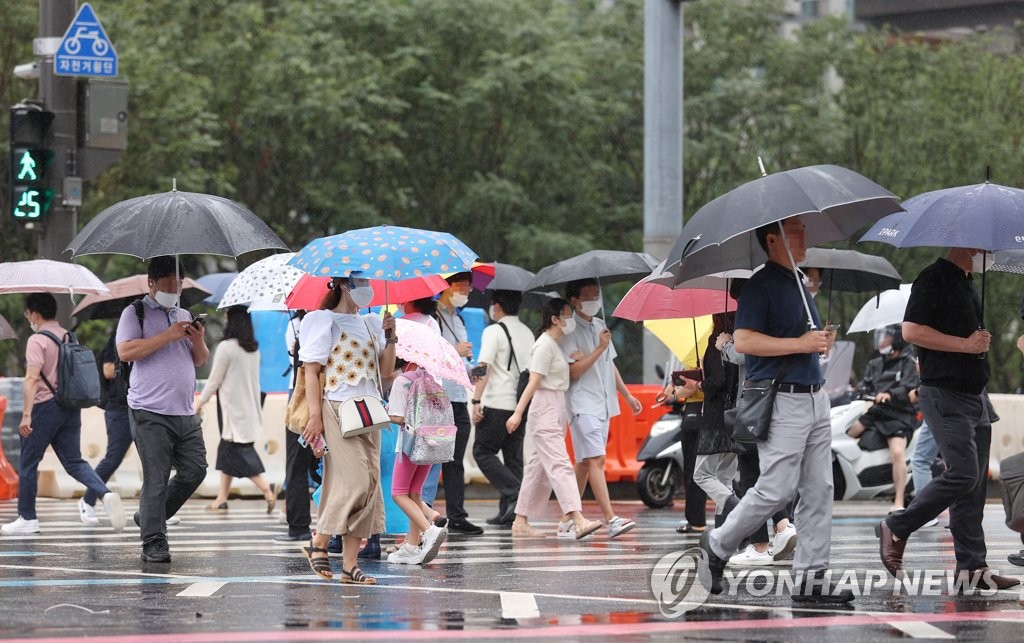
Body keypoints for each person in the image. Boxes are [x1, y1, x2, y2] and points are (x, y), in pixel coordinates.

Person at [698, 217, 850, 603]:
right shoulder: (761, 284)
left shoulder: (799, 282)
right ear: (772, 239)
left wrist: (818, 344)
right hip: (783, 399)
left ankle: (812, 579)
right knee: (775, 488)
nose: (804, 239)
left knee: (819, 490)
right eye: (796, 233)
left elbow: (800, 341)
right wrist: (800, 344)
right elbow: (746, 340)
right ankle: (717, 544)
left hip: (815, 396)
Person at [878, 248, 1021, 592]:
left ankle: (972, 567)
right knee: (962, 474)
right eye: (983, 248)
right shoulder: (934, 278)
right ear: (964, 245)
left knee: (973, 488)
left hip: (975, 396)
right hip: (944, 393)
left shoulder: (968, 281)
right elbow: (911, 331)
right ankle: (898, 525)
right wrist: (966, 344)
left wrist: (975, 346)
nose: (988, 253)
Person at [2, 293, 126, 535]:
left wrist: (27, 414)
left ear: (35, 313)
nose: (28, 318)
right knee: (74, 461)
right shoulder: (68, 335)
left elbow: (31, 378)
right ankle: (105, 493)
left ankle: (27, 518)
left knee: (28, 462)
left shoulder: (37, 340)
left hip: (44, 407)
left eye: (28, 314)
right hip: (70, 407)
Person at [299, 274, 395, 585]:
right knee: (355, 482)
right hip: (338, 409)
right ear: (344, 285)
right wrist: (315, 417)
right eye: (361, 282)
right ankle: (320, 540)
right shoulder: (322, 320)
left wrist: (391, 337)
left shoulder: (371, 322)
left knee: (369, 485)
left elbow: (385, 373)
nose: (367, 288)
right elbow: (311, 372)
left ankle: (349, 566)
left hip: (370, 412)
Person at [116, 256, 209, 562]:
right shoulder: (135, 313)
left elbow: (199, 360)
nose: (174, 291)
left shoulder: (184, 312)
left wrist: (198, 339)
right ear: (152, 283)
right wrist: (167, 335)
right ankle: (154, 541)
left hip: (184, 410)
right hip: (148, 410)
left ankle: (149, 516)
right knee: (155, 477)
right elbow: (126, 350)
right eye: (168, 285)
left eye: (178, 285)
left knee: (195, 470)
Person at [506, 298, 602, 540]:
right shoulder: (544, 345)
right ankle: (576, 517)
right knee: (560, 464)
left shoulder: (556, 345)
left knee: (537, 469)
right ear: (555, 319)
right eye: (567, 315)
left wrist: (578, 356)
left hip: (556, 406)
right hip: (545, 406)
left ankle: (520, 520)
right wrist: (518, 412)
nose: (571, 319)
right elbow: (534, 381)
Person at [559, 278, 641, 539]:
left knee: (583, 464)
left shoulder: (601, 325)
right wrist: (599, 347)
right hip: (582, 403)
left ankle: (566, 520)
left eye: (597, 294)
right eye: (588, 295)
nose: (594, 300)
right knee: (596, 460)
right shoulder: (568, 331)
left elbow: (610, 364)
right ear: (574, 300)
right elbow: (574, 371)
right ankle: (610, 518)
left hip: (603, 403)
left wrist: (626, 395)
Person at [196, 306, 277, 513]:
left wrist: (200, 402)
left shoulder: (226, 347)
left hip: (233, 410)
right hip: (249, 407)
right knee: (226, 454)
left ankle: (267, 489)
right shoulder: (253, 349)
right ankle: (221, 498)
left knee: (239, 452)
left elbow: (214, 381)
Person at [471, 289, 534, 527]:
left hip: (497, 402)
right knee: (513, 458)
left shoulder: (493, 331)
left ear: (497, 306)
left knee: (482, 452)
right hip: (520, 404)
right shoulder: (528, 332)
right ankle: (510, 513)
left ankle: (515, 491)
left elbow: (483, 367)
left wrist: (476, 400)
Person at [846, 325, 920, 514]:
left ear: (895, 339)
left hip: (899, 415)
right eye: (879, 337)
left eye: (885, 337)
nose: (881, 341)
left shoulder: (908, 362)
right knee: (848, 432)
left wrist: (889, 394)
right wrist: (859, 391)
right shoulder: (875, 364)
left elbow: (909, 387)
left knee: (897, 452)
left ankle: (899, 500)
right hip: (877, 412)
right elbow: (866, 384)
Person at [384, 361, 450, 565]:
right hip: (432, 443)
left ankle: (428, 530)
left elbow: (397, 417)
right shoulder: (433, 380)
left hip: (410, 444)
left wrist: (386, 412)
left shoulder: (402, 381)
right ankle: (412, 546)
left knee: (398, 493)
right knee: (414, 493)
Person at [434, 272, 483, 535]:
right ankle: (426, 510)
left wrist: (472, 368)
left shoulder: (459, 319)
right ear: (446, 287)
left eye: (468, 287)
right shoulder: (434, 317)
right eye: (459, 286)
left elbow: (461, 360)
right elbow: (430, 357)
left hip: (459, 394)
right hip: (439, 396)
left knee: (455, 458)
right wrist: (457, 352)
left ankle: (457, 514)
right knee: (432, 457)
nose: (464, 291)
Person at [690, 313, 740, 532]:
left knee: (702, 474)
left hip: (716, 417)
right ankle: (727, 531)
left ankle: (737, 508)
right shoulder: (741, 340)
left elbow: (717, 380)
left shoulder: (717, 341)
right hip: (736, 415)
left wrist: (700, 384)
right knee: (725, 478)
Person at [78, 329, 134, 526]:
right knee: (113, 458)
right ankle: (88, 500)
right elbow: (108, 370)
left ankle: (161, 509)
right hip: (119, 407)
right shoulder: (119, 335)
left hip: (143, 405)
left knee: (153, 459)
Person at [275, 310, 314, 542]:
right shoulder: (338, 320)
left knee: (297, 463)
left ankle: (299, 527)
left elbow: (298, 362)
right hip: (330, 396)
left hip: (300, 397)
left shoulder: (296, 324)